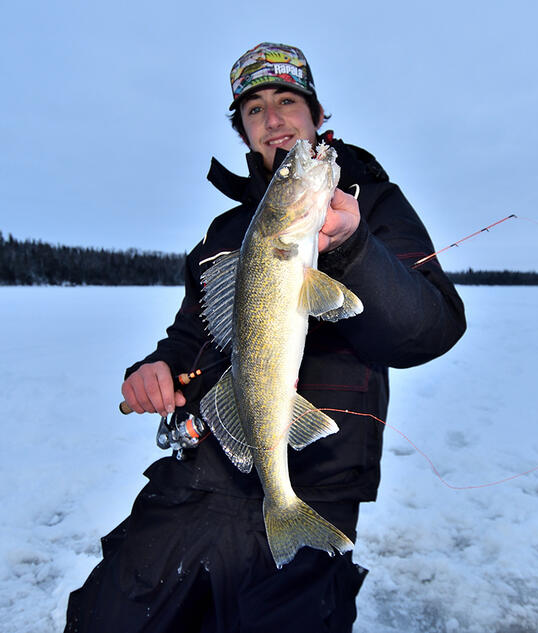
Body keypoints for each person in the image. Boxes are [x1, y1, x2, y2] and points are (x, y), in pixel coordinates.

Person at [65, 42, 466, 633]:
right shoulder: (227, 230)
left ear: (317, 115)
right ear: (244, 129)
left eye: (286, 101)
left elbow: (426, 330)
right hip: (197, 478)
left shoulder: (371, 202)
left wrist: (354, 246)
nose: (272, 118)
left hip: (315, 481)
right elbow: (191, 333)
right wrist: (158, 364)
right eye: (254, 109)